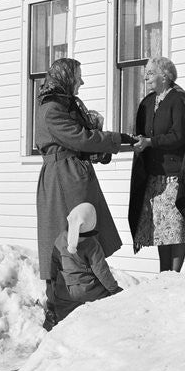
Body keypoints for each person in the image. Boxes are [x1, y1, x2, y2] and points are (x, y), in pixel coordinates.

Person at [35, 58, 132, 323]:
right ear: (65, 77)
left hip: (73, 175)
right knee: (69, 240)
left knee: (85, 239)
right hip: (63, 181)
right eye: (78, 76)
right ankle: (61, 306)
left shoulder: (65, 106)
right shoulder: (52, 109)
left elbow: (83, 140)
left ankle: (88, 296)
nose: (81, 82)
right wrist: (118, 139)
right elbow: (81, 138)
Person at [128, 57, 185, 272]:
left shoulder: (179, 100)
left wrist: (151, 142)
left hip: (174, 174)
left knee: (176, 228)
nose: (145, 76)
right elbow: (141, 132)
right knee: (161, 227)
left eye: (150, 72)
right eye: (146, 72)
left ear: (165, 75)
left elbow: (180, 136)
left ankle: (174, 275)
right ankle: (164, 274)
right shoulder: (147, 102)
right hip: (154, 174)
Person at [47, 202, 123, 326]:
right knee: (110, 302)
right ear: (91, 223)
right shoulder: (91, 244)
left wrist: (54, 287)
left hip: (65, 290)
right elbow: (101, 271)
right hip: (88, 290)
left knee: (62, 316)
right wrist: (114, 289)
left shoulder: (60, 239)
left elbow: (54, 265)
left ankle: (54, 325)